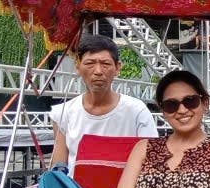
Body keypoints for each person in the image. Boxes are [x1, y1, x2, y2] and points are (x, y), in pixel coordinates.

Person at [50, 35, 157, 169]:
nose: (98, 71)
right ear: (77, 67)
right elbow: (59, 169)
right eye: (90, 64)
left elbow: (151, 162)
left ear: (117, 68)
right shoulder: (63, 113)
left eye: (105, 64)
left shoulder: (137, 111)